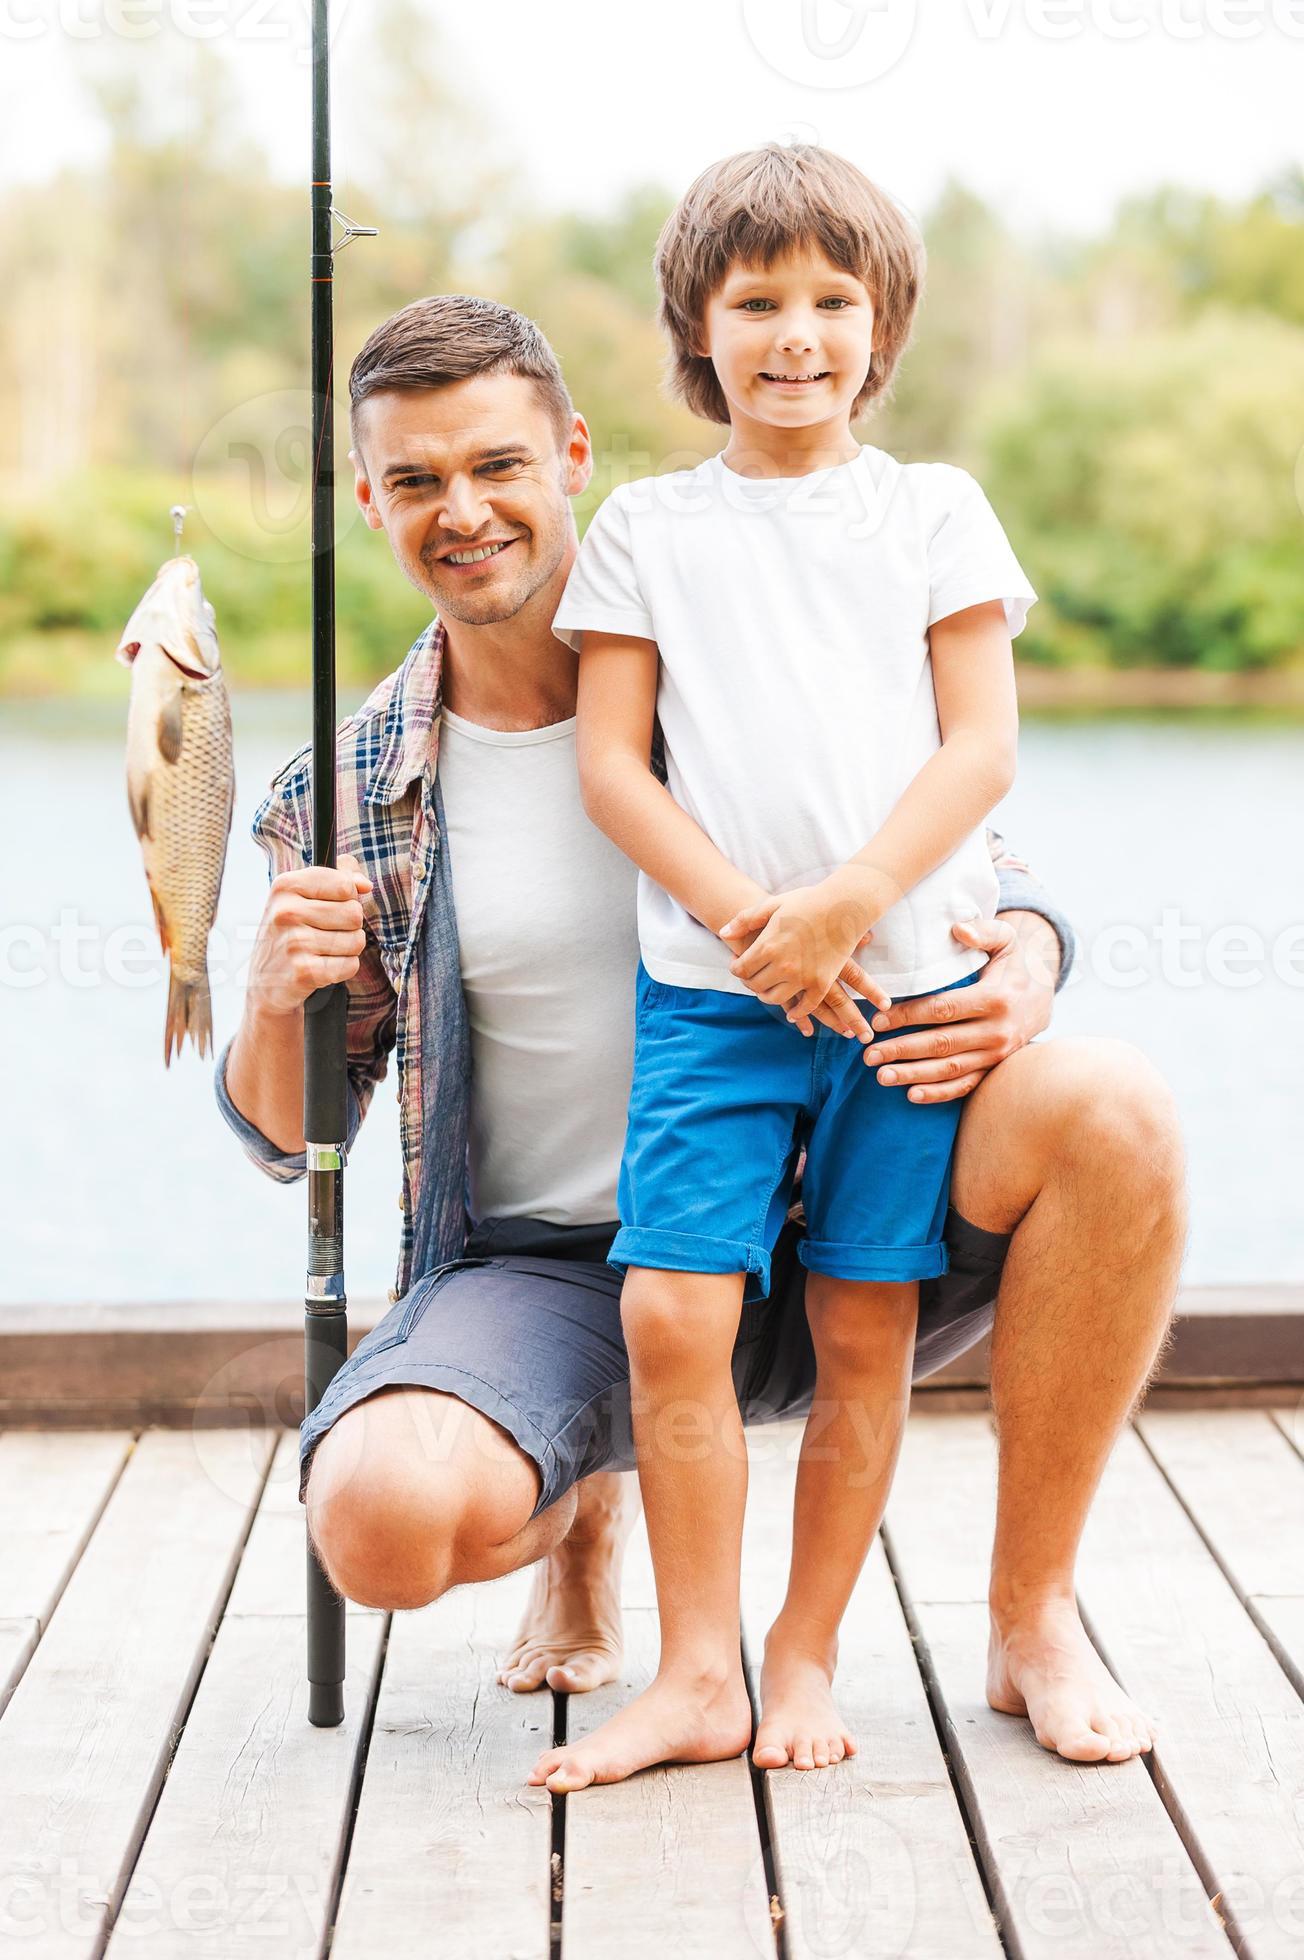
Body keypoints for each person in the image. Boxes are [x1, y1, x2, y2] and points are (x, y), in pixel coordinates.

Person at [216, 286, 1185, 1781]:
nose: (461, 510)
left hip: (835, 1209)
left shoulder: (728, 654)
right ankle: (582, 1496)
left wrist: (1036, 954)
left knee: (1116, 1109)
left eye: (497, 465)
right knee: (381, 1523)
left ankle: (1033, 1616)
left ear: (574, 457)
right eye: (414, 480)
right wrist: (274, 997)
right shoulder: (347, 789)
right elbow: (292, 1135)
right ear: (366, 500)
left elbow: (974, 845)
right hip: (560, 1270)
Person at [527, 141, 1026, 1793]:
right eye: (757, 300)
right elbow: (614, 770)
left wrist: (857, 898)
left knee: (865, 1319)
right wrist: (763, 923)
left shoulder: (935, 509)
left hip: (904, 997)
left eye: (833, 297)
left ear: (882, 326)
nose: (796, 331)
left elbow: (981, 744)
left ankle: (802, 1650)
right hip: (716, 996)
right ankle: (693, 1670)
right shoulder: (650, 529)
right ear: (698, 324)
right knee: (674, 1307)